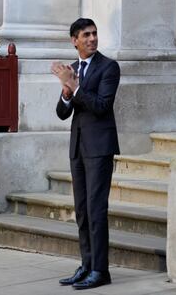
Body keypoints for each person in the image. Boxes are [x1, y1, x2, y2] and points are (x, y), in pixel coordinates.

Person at [52, 18, 120, 290]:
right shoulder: (75, 68)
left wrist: (76, 88)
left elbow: (102, 106)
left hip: (100, 148)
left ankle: (101, 270)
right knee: (82, 210)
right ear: (74, 40)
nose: (92, 39)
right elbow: (62, 113)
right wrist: (67, 92)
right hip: (78, 147)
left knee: (96, 209)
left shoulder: (109, 67)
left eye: (94, 34)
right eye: (86, 35)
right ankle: (87, 264)